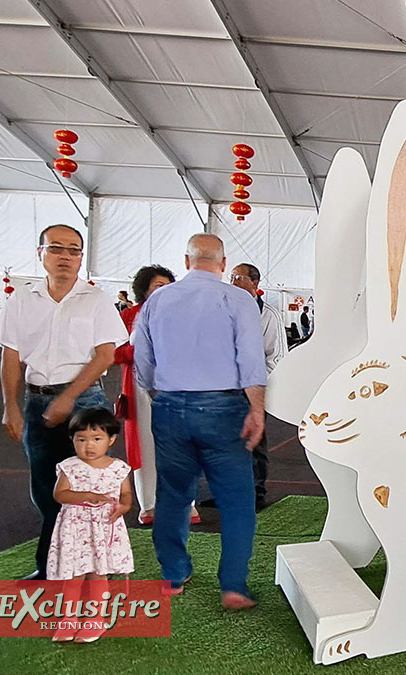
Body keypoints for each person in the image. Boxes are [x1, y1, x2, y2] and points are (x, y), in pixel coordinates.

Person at [0, 224, 128, 580]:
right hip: (36, 402)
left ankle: (99, 567)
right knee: (47, 490)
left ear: (81, 258)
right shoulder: (22, 298)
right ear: (41, 253)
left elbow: (105, 355)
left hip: (84, 402)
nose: (65, 256)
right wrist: (11, 405)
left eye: (73, 250)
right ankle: (52, 567)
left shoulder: (94, 299)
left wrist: (67, 398)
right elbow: (11, 356)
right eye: (56, 248)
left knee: (92, 487)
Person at [134, 234, 266, 609]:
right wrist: (256, 410)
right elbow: (251, 361)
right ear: (223, 264)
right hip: (224, 408)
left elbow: (143, 360)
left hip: (171, 406)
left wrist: (159, 394)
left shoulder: (158, 299)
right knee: (237, 500)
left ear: (186, 261)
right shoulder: (239, 299)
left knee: (173, 495)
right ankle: (233, 586)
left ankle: (174, 574)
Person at [113, 265, 199, 526]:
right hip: (139, 390)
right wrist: (139, 351)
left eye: (167, 286)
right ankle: (148, 504)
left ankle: (186, 503)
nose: (163, 291)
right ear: (144, 290)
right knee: (145, 446)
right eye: (157, 286)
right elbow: (114, 351)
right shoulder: (129, 315)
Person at [47, 407, 134, 644]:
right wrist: (86, 495)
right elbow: (60, 495)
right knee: (73, 575)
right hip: (75, 529)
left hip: (104, 528)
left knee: (98, 573)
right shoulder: (69, 467)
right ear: (72, 440)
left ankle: (96, 618)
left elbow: (126, 495)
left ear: (111, 439)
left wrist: (123, 508)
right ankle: (69, 619)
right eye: (81, 439)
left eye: (97, 439)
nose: (88, 446)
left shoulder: (118, 468)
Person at [230, 263, 288, 512]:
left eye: (239, 277)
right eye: (231, 276)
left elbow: (277, 357)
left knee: (254, 440)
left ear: (255, 283)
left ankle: (256, 492)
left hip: (253, 387)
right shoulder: (222, 310)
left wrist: (257, 384)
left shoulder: (268, 316)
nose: (233, 281)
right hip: (224, 387)